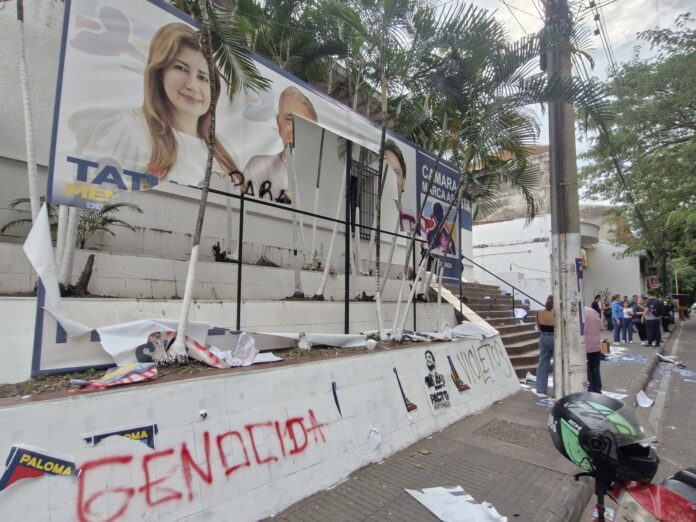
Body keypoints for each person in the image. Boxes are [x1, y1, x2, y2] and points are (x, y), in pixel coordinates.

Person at [72, 23, 240, 188]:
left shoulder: (222, 149)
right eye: (181, 68)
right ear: (159, 71)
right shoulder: (130, 130)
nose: (192, 85)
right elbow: (89, 192)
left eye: (203, 77)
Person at [243, 86, 318, 203]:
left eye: (305, 124)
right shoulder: (258, 167)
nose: (296, 129)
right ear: (279, 123)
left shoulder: (321, 177)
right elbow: (246, 209)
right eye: (289, 120)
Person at [535, 295, 555, 397]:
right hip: (555, 337)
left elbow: (538, 327)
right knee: (558, 364)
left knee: (543, 362)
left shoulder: (539, 312)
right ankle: (557, 390)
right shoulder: (556, 313)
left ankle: (541, 389)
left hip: (543, 337)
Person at [583, 305, 603, 393]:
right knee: (595, 368)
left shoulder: (579, 313)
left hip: (585, 346)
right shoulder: (593, 311)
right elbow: (601, 327)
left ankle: (590, 389)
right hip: (596, 345)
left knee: (587, 369)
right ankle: (597, 389)